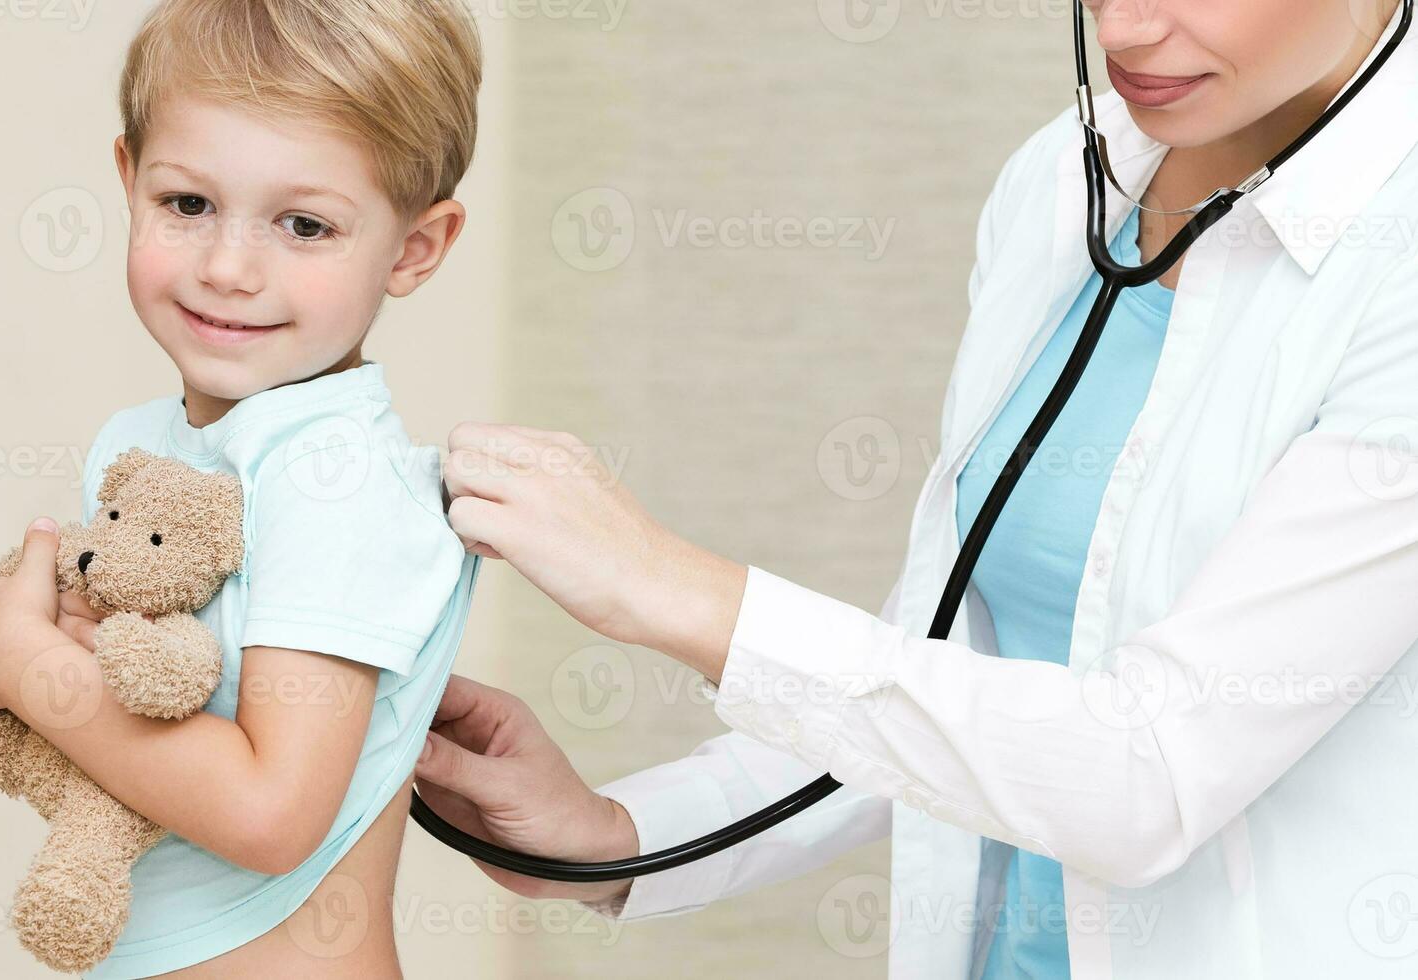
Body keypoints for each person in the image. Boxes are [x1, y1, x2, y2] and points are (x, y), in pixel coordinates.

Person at [414, 1, 1418, 977]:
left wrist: (674, 590)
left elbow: (1146, 773)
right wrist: (618, 835)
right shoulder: (1067, 178)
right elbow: (949, 661)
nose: (1121, 29)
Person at [0, 0, 483, 976]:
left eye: (305, 224)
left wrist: (21, 657)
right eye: (188, 205)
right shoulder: (146, 443)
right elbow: (101, 722)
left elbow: (268, 813)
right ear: (129, 180)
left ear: (414, 248)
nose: (228, 267)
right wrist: (4, 663)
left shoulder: (333, 477)